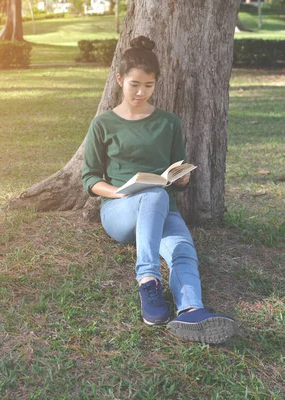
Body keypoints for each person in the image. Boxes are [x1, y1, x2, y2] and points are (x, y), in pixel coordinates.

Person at [81, 36, 237, 344]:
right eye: (134, 84)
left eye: (149, 86)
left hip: (161, 206)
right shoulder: (103, 124)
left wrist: (181, 180)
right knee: (152, 194)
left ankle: (192, 310)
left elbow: (176, 170)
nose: (141, 92)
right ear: (119, 80)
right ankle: (147, 280)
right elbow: (89, 179)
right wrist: (121, 193)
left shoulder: (169, 122)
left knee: (183, 248)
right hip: (119, 210)